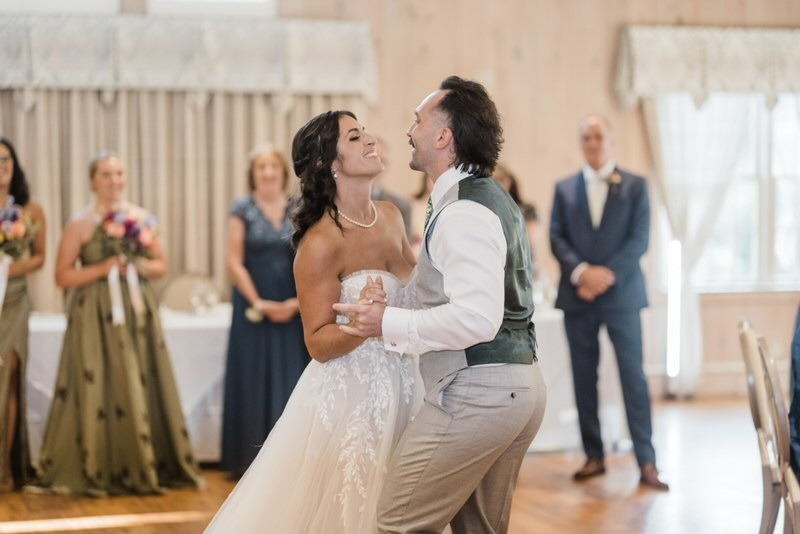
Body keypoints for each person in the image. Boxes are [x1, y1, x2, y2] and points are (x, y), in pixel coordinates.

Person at [334, 75, 547, 534]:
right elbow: (449, 291)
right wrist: (391, 297)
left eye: (418, 119)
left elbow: (476, 318)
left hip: (480, 393)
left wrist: (386, 322)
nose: (409, 130)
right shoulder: (476, 197)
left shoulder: (463, 210)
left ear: (443, 136)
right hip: (516, 385)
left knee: (397, 522)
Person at [204, 110, 421, 533]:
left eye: (365, 133)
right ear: (331, 164)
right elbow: (318, 342)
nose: (370, 140)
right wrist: (362, 325)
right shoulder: (320, 242)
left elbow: (418, 292)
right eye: (356, 137)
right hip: (351, 399)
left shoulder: (392, 216)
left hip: (408, 382)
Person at [32, 152, 203, 496]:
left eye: (119, 173)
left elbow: (161, 267)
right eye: (106, 174)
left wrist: (133, 265)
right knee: (96, 380)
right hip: (94, 314)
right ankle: (97, 464)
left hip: (135, 312)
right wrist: (103, 267)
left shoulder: (141, 219)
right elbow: (62, 276)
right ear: (93, 180)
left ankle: (143, 462)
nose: (114, 180)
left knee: (138, 379)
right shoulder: (79, 224)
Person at [549, 115, 668, 490]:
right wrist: (582, 273)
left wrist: (603, 277)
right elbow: (556, 238)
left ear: (610, 140)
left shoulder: (635, 186)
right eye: (586, 137)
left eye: (599, 136)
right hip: (577, 295)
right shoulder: (565, 188)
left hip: (622, 295)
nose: (593, 143)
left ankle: (647, 462)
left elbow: (639, 241)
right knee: (585, 378)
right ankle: (593, 454)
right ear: (581, 143)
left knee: (634, 377)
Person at [219, 144, 309, 478]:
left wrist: (297, 303)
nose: (268, 172)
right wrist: (258, 303)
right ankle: (249, 457)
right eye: (261, 167)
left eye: (273, 166)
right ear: (252, 174)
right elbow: (233, 261)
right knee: (252, 377)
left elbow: (312, 257)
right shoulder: (241, 208)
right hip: (253, 306)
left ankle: (290, 459)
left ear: (283, 171)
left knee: (292, 378)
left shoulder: (299, 207)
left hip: (293, 301)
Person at [0, 137, 46, 492]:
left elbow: (40, 258)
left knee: (11, 375)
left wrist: (5, 270)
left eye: (6, 159)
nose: (2, 166)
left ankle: (6, 469)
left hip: (14, 300)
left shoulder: (31, 211)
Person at [372, 137, 413, 241]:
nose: (379, 166)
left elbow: (406, 246)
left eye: (383, 161)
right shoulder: (343, 203)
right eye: (373, 158)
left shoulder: (402, 206)